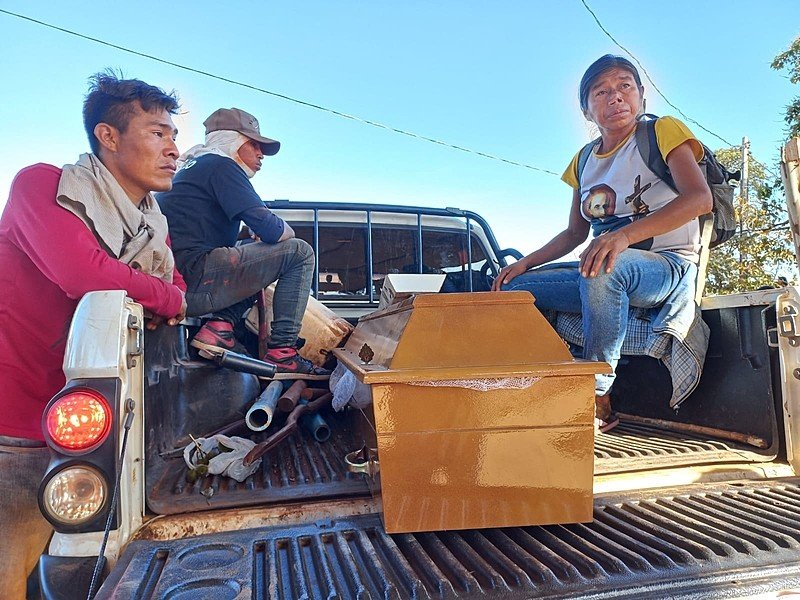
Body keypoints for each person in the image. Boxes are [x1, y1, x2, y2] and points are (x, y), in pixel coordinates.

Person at [0, 73, 187, 599]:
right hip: (17, 430)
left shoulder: (151, 225)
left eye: (174, 135)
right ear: (108, 136)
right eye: (157, 133)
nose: (174, 149)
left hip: (97, 430)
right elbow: (83, 274)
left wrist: (159, 295)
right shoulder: (44, 186)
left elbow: (177, 284)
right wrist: (160, 298)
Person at [491, 54, 712, 433]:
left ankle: (598, 395)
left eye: (625, 86)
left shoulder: (662, 132)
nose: (616, 96)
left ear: (641, 95)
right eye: (601, 92)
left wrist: (623, 236)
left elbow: (699, 199)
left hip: (667, 266)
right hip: (602, 267)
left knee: (604, 268)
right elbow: (574, 234)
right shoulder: (582, 161)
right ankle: (547, 384)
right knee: (512, 289)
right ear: (586, 110)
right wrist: (524, 263)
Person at [157, 107, 327, 377]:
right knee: (299, 252)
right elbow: (274, 231)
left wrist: (249, 234)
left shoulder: (194, 167)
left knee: (253, 253)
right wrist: (278, 230)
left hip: (180, 278)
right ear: (232, 140)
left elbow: (195, 229)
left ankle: (220, 329)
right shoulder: (221, 166)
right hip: (193, 281)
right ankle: (283, 353)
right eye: (254, 145)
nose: (261, 154)